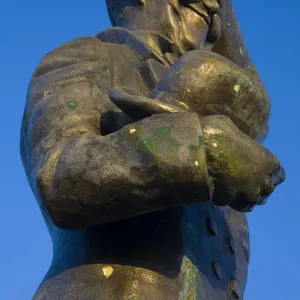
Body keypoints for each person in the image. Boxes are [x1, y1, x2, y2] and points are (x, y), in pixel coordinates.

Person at [20, 0, 285, 299]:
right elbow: (59, 173)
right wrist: (205, 150)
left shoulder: (220, 105)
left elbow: (257, 106)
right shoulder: (91, 55)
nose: (213, 5)